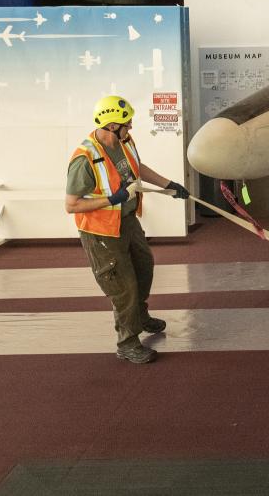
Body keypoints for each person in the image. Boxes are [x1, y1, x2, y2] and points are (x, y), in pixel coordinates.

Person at [65, 95, 189, 364]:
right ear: (111, 126)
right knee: (124, 287)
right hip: (102, 233)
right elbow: (72, 205)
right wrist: (113, 199)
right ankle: (128, 343)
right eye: (127, 124)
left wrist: (169, 185)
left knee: (144, 267)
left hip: (127, 221)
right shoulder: (85, 159)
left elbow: (137, 167)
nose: (130, 127)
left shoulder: (124, 141)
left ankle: (140, 317)